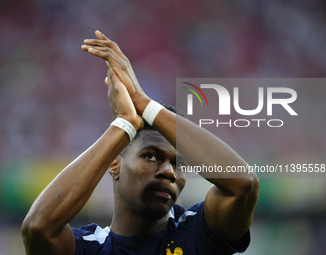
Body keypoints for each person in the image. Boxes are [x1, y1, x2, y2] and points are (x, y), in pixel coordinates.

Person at [21, 30, 260, 255]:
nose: (169, 172)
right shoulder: (90, 249)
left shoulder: (197, 234)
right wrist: (124, 124)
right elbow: (38, 228)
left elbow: (243, 184)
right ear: (114, 165)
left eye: (179, 165)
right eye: (151, 156)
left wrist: (143, 102)